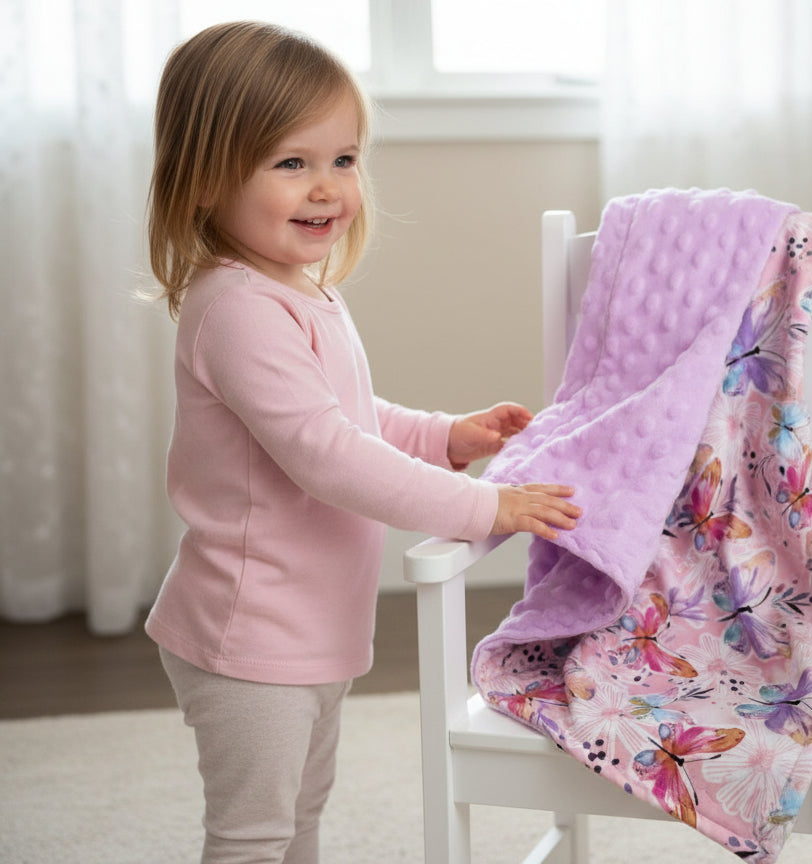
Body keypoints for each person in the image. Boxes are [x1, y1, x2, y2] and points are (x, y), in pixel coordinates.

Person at [143, 21, 581, 864]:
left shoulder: (299, 290)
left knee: (300, 819)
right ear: (203, 182)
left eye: (343, 160)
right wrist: (487, 503)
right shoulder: (236, 308)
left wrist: (448, 437)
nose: (327, 190)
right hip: (250, 637)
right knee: (252, 835)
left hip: (308, 628)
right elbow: (328, 456)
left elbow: (349, 416)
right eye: (290, 163)